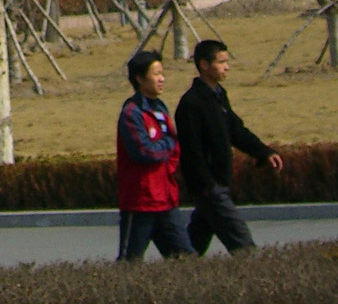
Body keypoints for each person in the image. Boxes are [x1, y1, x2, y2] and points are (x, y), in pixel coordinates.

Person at [175, 38, 284, 254]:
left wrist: (263, 152)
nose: (227, 67)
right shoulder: (191, 103)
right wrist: (206, 184)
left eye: (227, 62)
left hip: (220, 181)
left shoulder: (218, 96)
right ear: (204, 65)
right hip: (210, 186)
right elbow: (191, 151)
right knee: (242, 244)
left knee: (192, 246)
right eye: (221, 62)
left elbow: (236, 131)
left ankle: (175, 269)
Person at [115, 49, 192, 262]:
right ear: (140, 78)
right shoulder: (132, 113)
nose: (162, 79)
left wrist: (169, 147)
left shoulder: (161, 109)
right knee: (130, 262)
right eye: (156, 74)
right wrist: (170, 142)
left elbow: (172, 152)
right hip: (140, 201)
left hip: (165, 199)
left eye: (162, 73)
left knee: (186, 259)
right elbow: (145, 151)